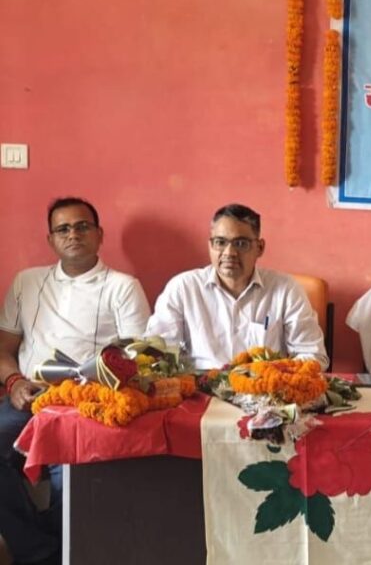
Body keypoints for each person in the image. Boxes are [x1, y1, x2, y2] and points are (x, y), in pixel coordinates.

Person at [0, 197, 150, 565]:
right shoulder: (27, 282)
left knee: (69, 476)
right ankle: (40, 550)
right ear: (50, 239)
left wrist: (91, 389)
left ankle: (52, 550)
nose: (73, 234)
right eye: (63, 229)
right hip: (29, 397)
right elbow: (4, 349)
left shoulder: (123, 287)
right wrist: (14, 383)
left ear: (100, 235)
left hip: (88, 403)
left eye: (82, 226)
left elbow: (138, 360)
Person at [146, 204, 327, 370]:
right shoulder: (183, 288)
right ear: (210, 245)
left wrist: (272, 374)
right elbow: (156, 353)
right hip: (200, 388)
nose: (229, 253)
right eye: (220, 242)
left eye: (241, 244)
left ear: (260, 248)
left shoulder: (286, 290)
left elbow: (313, 356)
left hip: (264, 387)